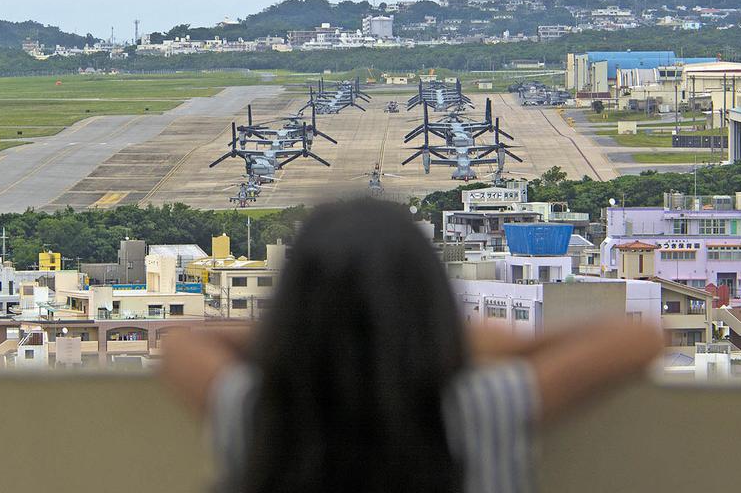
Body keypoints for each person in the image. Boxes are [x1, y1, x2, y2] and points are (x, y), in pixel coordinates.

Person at [162, 199, 663, 493]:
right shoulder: (477, 409)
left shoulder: (259, 415)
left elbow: (183, 343)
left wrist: (318, 333)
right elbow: (637, 338)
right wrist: (444, 338)